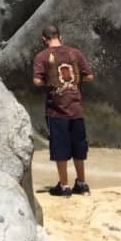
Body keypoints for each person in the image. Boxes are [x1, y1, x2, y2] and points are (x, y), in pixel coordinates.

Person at [32, 25, 95, 197]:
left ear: (44, 39)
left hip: (56, 111)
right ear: (61, 36)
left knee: (60, 149)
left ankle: (65, 186)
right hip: (76, 109)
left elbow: (37, 81)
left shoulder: (42, 56)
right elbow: (90, 76)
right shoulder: (75, 53)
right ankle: (82, 184)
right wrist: (74, 81)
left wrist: (52, 82)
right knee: (79, 148)